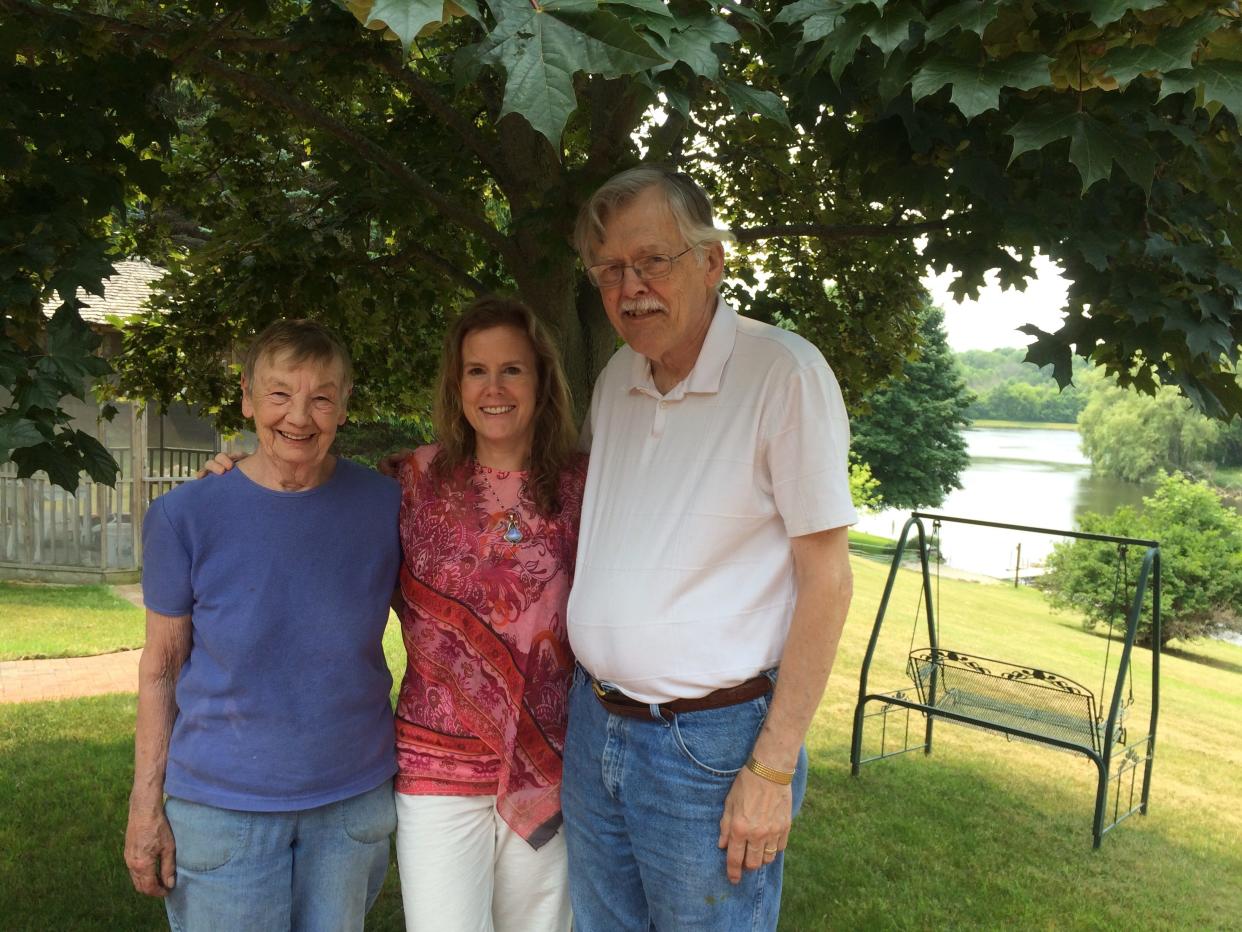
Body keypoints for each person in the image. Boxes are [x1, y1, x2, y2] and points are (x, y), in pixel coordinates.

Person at [562, 165, 857, 930]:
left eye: (652, 260)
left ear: (712, 261)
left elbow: (827, 578)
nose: (632, 288)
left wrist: (773, 763)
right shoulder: (615, 380)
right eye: (610, 271)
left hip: (712, 747)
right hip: (596, 726)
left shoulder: (783, 373)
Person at [124, 319, 401, 931]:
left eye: (321, 396)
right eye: (279, 394)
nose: (299, 417)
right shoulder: (184, 515)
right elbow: (161, 669)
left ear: (344, 405)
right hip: (222, 808)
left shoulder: (387, 506)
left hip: (351, 805)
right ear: (247, 396)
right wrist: (145, 805)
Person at [391, 296, 586, 932]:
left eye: (513, 369)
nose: (494, 387)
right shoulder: (413, 481)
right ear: (457, 384)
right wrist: (236, 469)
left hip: (547, 765)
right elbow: (317, 509)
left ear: (542, 380)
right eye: (477, 370)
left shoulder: (585, 488)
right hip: (436, 765)